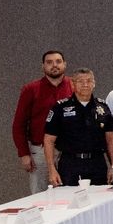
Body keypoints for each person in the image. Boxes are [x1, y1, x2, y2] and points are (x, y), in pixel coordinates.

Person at [12, 50, 74, 193]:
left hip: (69, 151)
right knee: (40, 196)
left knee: (70, 194)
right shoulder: (31, 89)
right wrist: (24, 153)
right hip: (40, 152)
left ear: (65, 64)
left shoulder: (74, 86)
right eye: (49, 62)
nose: (54, 65)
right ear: (43, 66)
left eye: (58, 61)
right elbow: (18, 124)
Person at [43, 68, 113, 186]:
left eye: (89, 81)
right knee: (70, 201)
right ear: (73, 84)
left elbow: (111, 139)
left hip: (97, 162)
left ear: (94, 83)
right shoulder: (60, 108)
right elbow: (48, 140)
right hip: (70, 163)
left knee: (99, 199)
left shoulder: (103, 107)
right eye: (80, 81)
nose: (85, 84)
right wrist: (52, 169)